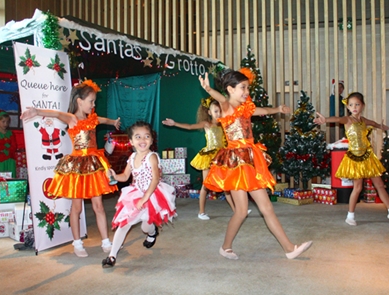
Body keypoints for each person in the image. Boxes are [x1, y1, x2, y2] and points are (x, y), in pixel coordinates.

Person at [199, 70, 313, 260]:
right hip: (236, 164)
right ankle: (225, 246)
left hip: (250, 161)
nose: (246, 91)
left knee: (267, 207)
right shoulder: (226, 106)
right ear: (230, 89)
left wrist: (278, 109)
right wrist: (209, 88)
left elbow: (264, 111)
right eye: (242, 88)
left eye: (247, 88)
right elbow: (219, 97)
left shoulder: (247, 108)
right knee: (241, 211)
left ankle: (289, 248)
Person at [20, 80, 121, 257]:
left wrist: (114, 122)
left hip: (94, 165)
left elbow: (104, 119)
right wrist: (36, 111)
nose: (93, 105)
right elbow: (56, 114)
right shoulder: (72, 118)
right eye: (91, 101)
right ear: (79, 101)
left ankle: (106, 240)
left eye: (94, 101)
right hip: (77, 166)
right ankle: (77, 243)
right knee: (77, 207)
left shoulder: (93, 119)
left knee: (99, 206)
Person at [314, 92, 389, 226]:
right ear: (348, 107)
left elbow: (373, 123)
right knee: (357, 187)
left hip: (368, 156)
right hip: (356, 158)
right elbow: (338, 119)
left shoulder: (363, 120)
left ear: (362, 106)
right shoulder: (348, 120)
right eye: (351, 105)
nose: (354, 107)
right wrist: (325, 120)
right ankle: (350, 216)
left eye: (357, 104)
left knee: (380, 185)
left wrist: (381, 126)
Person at [102, 121, 176, 268]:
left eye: (146, 136)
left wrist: (145, 197)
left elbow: (155, 179)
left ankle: (152, 232)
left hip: (152, 194)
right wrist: (114, 176)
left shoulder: (152, 157)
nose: (142, 140)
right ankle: (112, 256)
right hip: (136, 193)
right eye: (138, 137)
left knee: (145, 227)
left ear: (152, 140)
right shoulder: (132, 157)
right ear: (131, 141)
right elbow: (124, 176)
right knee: (124, 224)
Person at [162, 98, 239, 220]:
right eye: (215, 111)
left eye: (220, 111)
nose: (218, 114)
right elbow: (190, 126)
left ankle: (237, 211)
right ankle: (201, 212)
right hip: (209, 156)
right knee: (206, 185)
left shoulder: (224, 124)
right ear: (209, 112)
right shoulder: (207, 124)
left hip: (222, 157)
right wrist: (175, 123)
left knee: (227, 186)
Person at [0, 110, 17, 177]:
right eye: (3, 122)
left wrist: (6, 149)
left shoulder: (11, 133)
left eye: (7, 122)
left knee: (10, 179)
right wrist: (5, 147)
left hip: (10, 159)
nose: (5, 124)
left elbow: (14, 146)